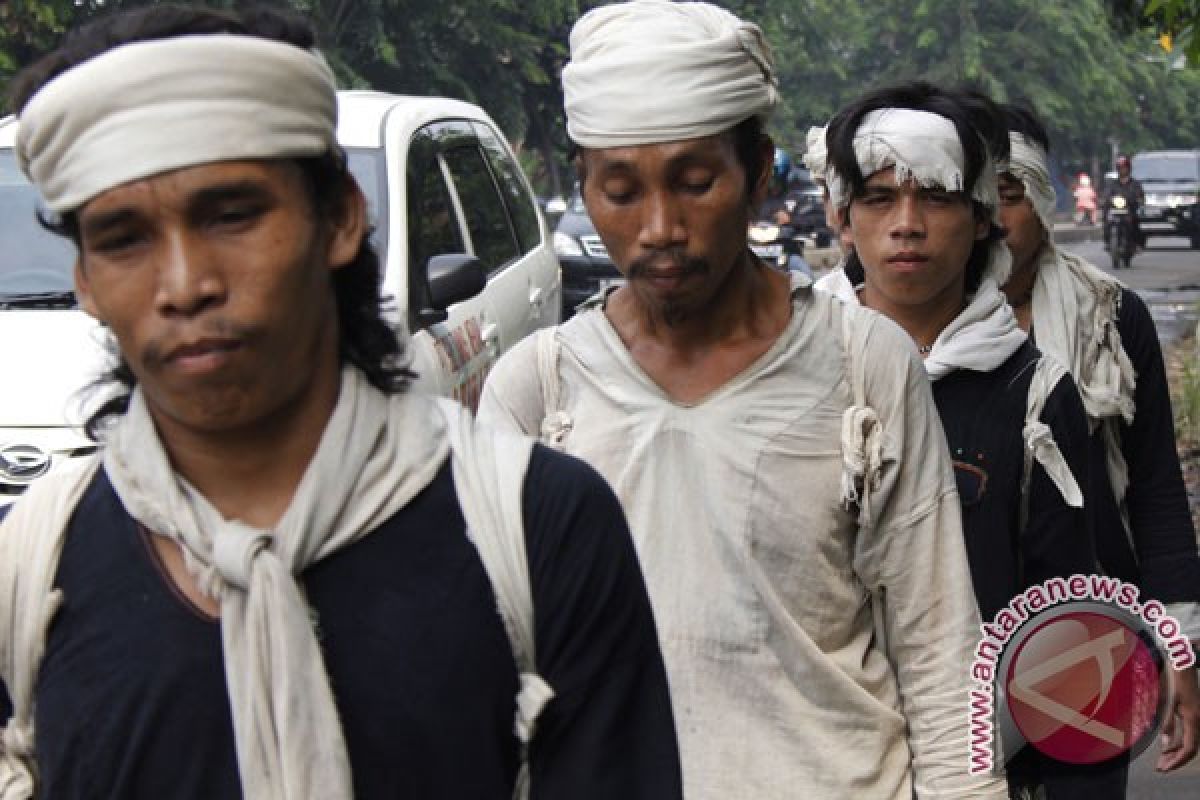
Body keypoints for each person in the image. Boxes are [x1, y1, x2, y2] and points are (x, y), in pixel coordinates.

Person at [0, 5, 683, 799]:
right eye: (123, 239)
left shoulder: (539, 528)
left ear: (339, 220)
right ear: (85, 281)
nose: (185, 284)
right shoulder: (33, 566)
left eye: (231, 216)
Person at [480, 2, 1008, 798]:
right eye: (620, 191)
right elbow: (493, 670)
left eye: (696, 184)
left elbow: (941, 642)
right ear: (581, 185)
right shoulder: (535, 390)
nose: (660, 227)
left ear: (758, 173)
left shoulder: (864, 364)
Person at [815, 83, 1098, 797]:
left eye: (936, 198)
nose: (906, 224)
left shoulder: (1032, 398)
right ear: (843, 219)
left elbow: (1072, 636)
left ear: (979, 219)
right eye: (879, 198)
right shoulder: (790, 376)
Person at [998, 103, 1200, 792]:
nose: (994, 218)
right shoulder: (900, 329)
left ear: (1043, 197)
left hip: (1090, 641)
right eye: (974, 195)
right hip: (952, 648)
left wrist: (1181, 646)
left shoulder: (1110, 316)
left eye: (1010, 194)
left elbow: (1155, 491)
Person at [1102, 154, 1145, 248]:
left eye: (1124, 168)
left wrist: (1137, 200)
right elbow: (1107, 194)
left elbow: (1140, 196)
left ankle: (1136, 243)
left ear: (1128, 168)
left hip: (1129, 209)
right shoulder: (1112, 183)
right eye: (1120, 168)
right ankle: (1107, 242)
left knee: (1135, 222)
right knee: (1107, 221)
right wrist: (1106, 199)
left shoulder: (1135, 184)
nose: (1122, 170)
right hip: (1115, 210)